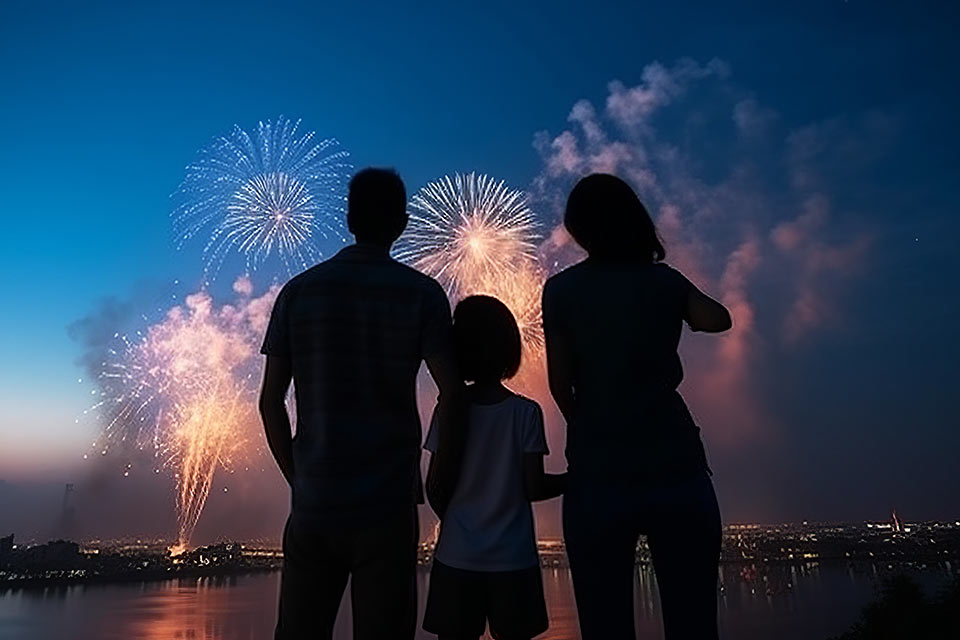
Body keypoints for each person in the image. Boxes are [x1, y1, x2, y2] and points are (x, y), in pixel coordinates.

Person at [259, 167, 463, 640]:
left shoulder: (299, 292)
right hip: (388, 504)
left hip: (315, 503)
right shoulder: (423, 295)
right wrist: (436, 475)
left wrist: (300, 475)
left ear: (349, 218)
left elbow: (271, 402)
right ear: (403, 222)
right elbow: (453, 392)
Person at [542, 174, 732, 640]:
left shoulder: (561, 291)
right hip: (676, 463)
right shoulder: (664, 282)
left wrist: (590, 422)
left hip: (598, 470)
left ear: (579, 228)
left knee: (604, 623)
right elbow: (718, 318)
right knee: (694, 623)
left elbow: (559, 384)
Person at [422, 295, 566, 640]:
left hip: (456, 556)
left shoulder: (448, 411)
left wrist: (460, 519)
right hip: (513, 559)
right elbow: (534, 487)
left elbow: (435, 488)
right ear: (509, 348)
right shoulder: (525, 413)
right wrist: (576, 479)